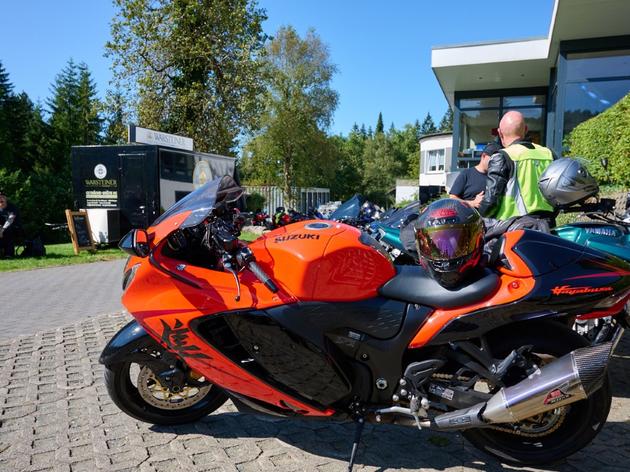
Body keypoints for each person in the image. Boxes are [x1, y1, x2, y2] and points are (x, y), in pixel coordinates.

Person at [478, 111, 556, 223]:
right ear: (526, 129)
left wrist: (478, 214)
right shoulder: (549, 154)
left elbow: (490, 204)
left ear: (500, 133)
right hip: (548, 227)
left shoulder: (502, 156)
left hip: (512, 231)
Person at [449, 142, 501, 208]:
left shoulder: (497, 177)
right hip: (469, 216)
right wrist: (471, 203)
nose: (496, 163)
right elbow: (452, 198)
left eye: (498, 161)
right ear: (484, 156)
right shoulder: (466, 174)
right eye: (493, 160)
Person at [0, 191, 20, 258]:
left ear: (5, 198)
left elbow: (10, 220)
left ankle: (9, 254)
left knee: (8, 229)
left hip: (14, 228)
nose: (0, 199)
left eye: (2, 197)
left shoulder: (12, 207)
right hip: (1, 229)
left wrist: (2, 230)